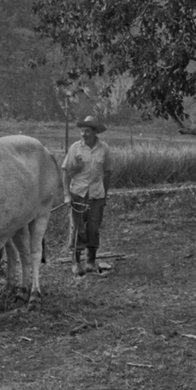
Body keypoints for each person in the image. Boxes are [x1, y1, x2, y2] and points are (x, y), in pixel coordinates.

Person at [62, 115, 114, 277]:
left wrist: (104, 196)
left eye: (87, 131)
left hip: (96, 196)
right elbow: (65, 171)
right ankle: (76, 262)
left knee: (93, 229)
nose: (84, 134)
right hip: (78, 194)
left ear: (95, 132)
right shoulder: (75, 148)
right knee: (77, 229)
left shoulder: (104, 149)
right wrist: (66, 195)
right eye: (82, 131)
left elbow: (107, 172)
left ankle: (90, 261)